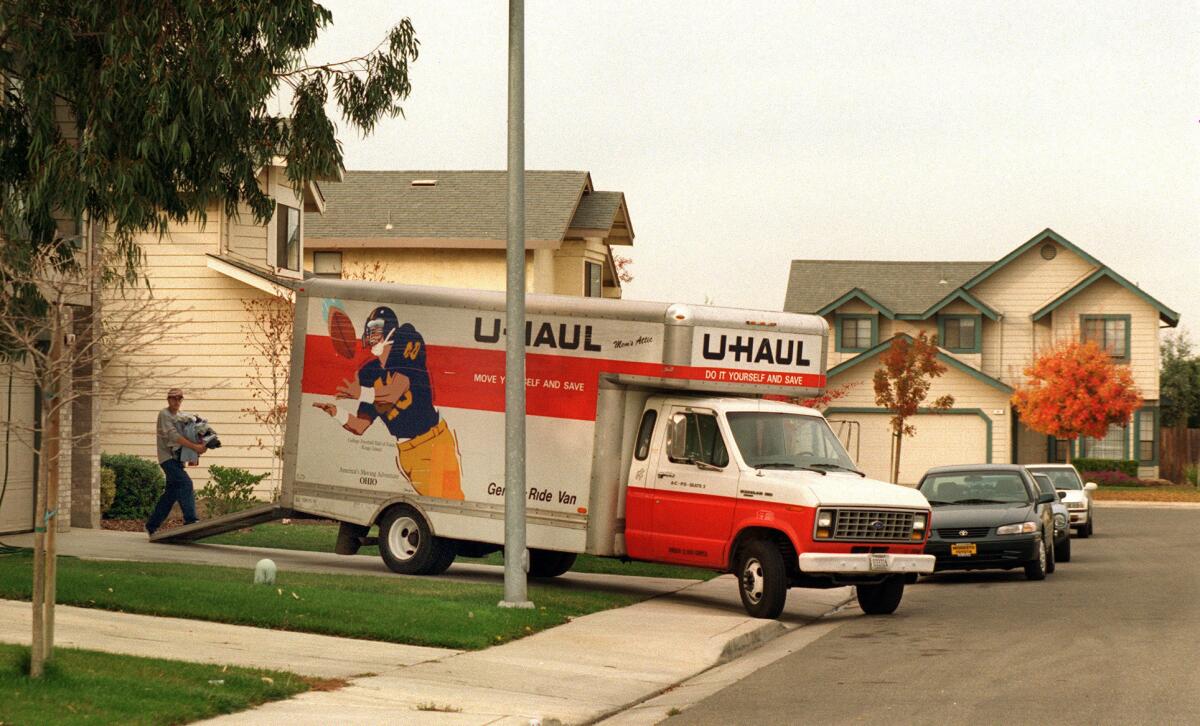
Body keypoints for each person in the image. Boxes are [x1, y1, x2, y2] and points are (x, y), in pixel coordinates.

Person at [313, 306, 464, 501]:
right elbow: (360, 426)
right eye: (369, 329)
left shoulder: (407, 340)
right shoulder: (369, 372)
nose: (371, 334)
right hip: (406, 452)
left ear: (390, 329)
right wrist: (336, 413)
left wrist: (360, 393)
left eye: (376, 328)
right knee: (437, 504)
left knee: (448, 503)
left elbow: (392, 393)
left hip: (432, 442)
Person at [145, 388, 206, 535]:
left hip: (177, 460)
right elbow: (174, 437)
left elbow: (190, 431)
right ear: (168, 400)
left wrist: (202, 443)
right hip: (167, 459)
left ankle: (152, 526)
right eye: (173, 398)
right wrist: (195, 447)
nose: (176, 401)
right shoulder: (164, 414)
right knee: (186, 483)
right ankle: (191, 520)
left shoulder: (180, 416)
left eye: (179, 399)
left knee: (170, 494)